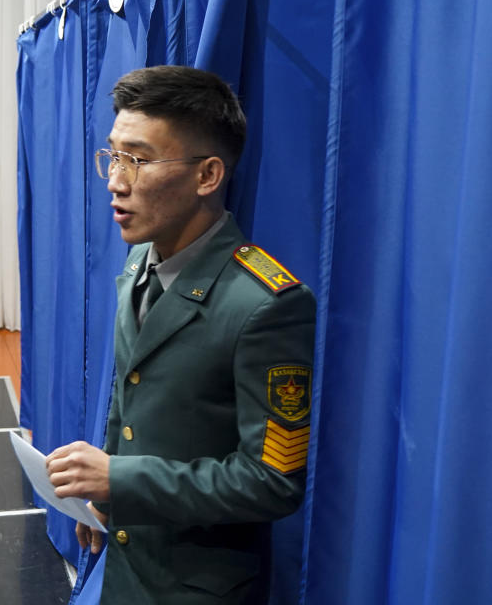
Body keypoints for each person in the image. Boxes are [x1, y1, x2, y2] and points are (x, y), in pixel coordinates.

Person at [45, 65, 316, 603]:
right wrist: (104, 498)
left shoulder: (264, 304)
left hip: (195, 587)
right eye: (114, 156)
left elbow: (273, 482)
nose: (116, 181)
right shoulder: (140, 264)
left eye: (139, 161)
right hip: (128, 563)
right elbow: (131, 398)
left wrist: (120, 481)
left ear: (208, 176)